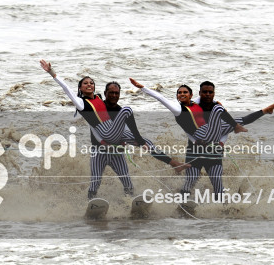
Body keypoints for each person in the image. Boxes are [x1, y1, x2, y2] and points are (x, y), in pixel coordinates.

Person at [40, 60, 179, 200]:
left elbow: (114, 120)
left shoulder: (100, 98)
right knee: (95, 183)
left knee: (129, 181)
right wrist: (52, 72)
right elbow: (67, 91)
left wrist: (123, 139)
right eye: (85, 83)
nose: (89, 84)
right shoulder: (81, 103)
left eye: (91, 82)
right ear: (80, 88)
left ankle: (171, 165)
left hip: (114, 143)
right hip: (101, 144)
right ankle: (91, 204)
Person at [129, 78, 246, 201]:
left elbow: (209, 102)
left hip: (212, 149)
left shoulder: (197, 103)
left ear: (191, 95)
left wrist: (218, 104)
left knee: (217, 181)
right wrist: (142, 87)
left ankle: (222, 206)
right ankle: (181, 203)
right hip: (195, 149)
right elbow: (161, 98)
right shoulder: (177, 109)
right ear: (177, 96)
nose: (182, 94)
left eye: (185, 92)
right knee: (191, 180)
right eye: (180, 93)